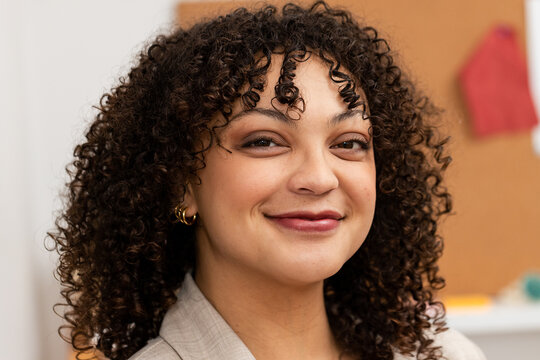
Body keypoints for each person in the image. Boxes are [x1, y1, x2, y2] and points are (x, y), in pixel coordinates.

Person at [49, 2, 486, 360]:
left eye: (349, 143)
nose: (318, 177)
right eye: (264, 141)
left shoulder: (442, 352)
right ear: (181, 181)